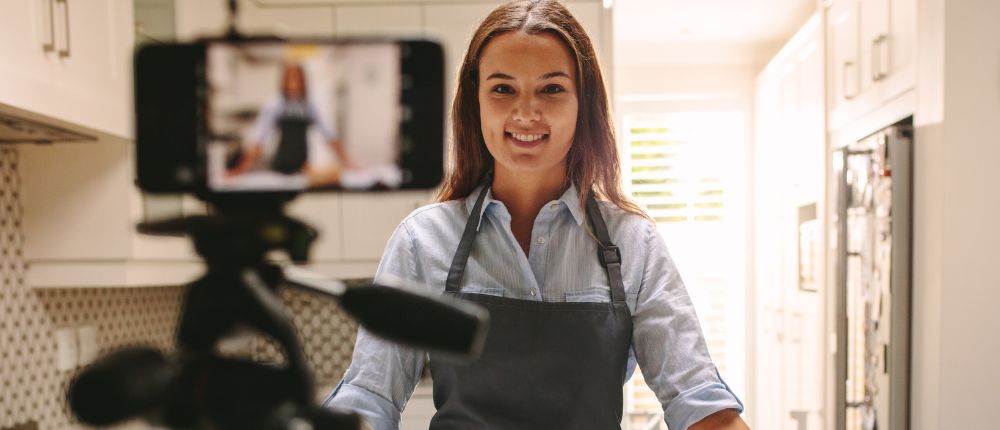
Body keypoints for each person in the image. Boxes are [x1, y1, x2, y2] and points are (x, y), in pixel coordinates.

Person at [324, 1, 750, 429]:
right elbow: (371, 394)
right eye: (503, 88)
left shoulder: (633, 242)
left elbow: (698, 400)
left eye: (551, 89)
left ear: (583, 104)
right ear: (475, 102)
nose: (526, 113)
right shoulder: (422, 240)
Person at [227, 61, 349, 186]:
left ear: (303, 80)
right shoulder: (275, 104)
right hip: (281, 167)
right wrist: (240, 169)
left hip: (302, 167)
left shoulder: (309, 106)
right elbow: (259, 139)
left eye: (297, 77)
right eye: (290, 77)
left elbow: (329, 136)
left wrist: (348, 164)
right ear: (284, 79)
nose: (294, 81)